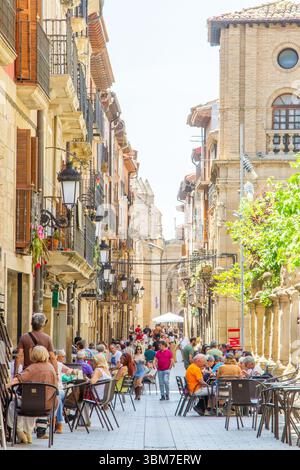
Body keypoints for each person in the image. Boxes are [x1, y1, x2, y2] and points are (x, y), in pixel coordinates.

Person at [14, 313, 58, 440]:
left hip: (28, 375)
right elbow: (53, 357)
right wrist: (55, 374)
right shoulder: (47, 338)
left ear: (32, 323)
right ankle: (39, 428)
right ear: (43, 325)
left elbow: (19, 356)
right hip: (44, 376)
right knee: (45, 397)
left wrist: (16, 373)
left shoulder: (24, 338)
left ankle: (23, 430)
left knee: (25, 401)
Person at [7, 346, 58, 444]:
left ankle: (19, 431)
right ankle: (27, 432)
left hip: (32, 404)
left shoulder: (32, 368)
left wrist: (6, 385)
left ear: (34, 355)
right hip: (48, 405)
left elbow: (17, 379)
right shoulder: (51, 367)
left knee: (13, 404)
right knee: (29, 403)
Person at [55, 349, 76, 434]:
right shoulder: (44, 366)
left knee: (57, 396)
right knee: (57, 396)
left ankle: (59, 422)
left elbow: (72, 371)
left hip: (58, 390)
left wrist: (69, 372)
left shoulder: (58, 365)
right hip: (47, 391)